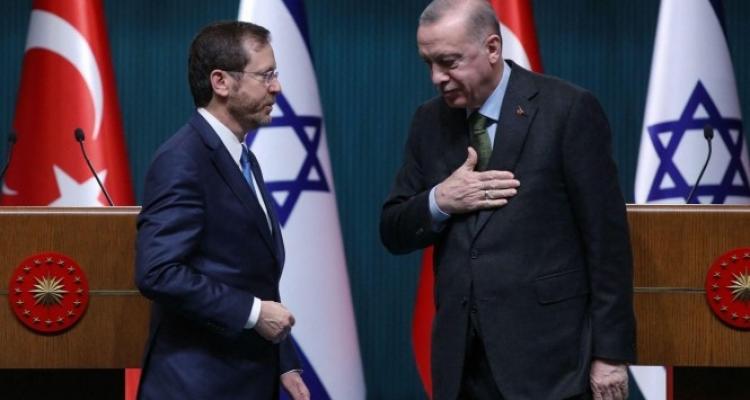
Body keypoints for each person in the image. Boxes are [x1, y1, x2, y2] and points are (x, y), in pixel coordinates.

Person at [380, 1, 636, 399]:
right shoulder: (429, 121)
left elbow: (607, 243)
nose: (436, 78)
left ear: (492, 48)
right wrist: (440, 200)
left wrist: (610, 354)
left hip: (551, 362)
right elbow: (393, 229)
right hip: (463, 364)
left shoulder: (567, 110)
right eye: (428, 63)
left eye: (448, 62)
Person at [135, 21, 309, 400]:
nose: (277, 87)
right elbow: (158, 272)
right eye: (266, 75)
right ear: (221, 82)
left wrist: (283, 359)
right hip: (195, 385)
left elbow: (251, 273)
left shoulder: (242, 157)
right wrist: (253, 313)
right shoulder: (183, 159)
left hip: (245, 378)